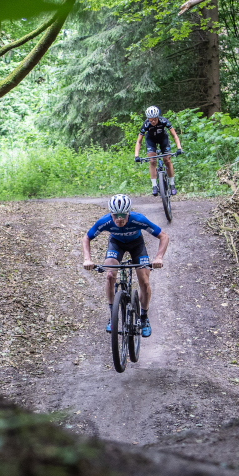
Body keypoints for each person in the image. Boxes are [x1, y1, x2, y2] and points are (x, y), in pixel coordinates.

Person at [81, 193, 169, 337]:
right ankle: (112, 315)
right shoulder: (105, 221)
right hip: (116, 245)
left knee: (145, 282)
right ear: (111, 213)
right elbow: (86, 238)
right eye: (116, 215)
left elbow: (163, 236)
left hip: (137, 245)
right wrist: (87, 259)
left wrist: (159, 257)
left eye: (123, 215)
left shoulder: (138, 219)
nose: (120, 219)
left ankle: (144, 317)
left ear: (128, 213)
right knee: (109, 275)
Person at [132, 106, 183, 196]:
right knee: (152, 160)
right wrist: (136, 155)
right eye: (151, 120)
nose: (153, 122)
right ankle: (154, 185)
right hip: (151, 140)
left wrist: (179, 148)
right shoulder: (146, 124)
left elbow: (174, 135)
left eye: (155, 119)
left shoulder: (163, 121)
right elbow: (139, 141)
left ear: (158, 117)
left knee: (167, 160)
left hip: (163, 139)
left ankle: (172, 184)